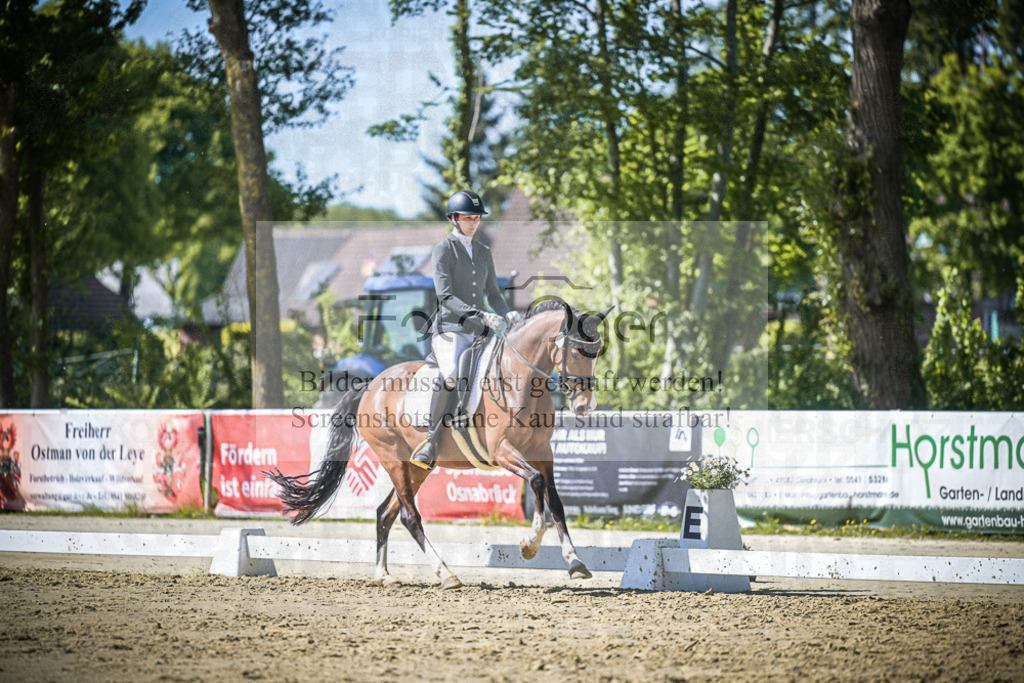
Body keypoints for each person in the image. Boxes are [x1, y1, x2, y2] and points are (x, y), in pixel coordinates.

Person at [410, 190, 522, 470]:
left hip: (480, 330)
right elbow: (445, 296)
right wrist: (481, 315)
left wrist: (505, 311)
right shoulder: (443, 251)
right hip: (450, 330)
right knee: (451, 374)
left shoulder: (484, 252)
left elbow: (493, 293)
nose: (473, 223)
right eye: (468, 218)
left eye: (476, 218)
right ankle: (432, 441)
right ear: (453, 219)